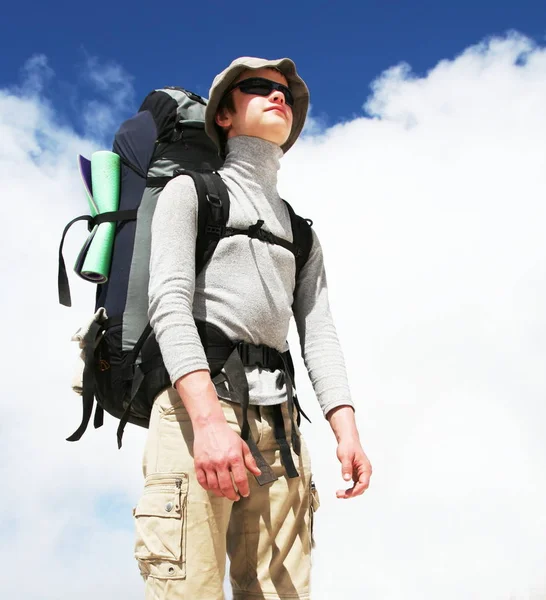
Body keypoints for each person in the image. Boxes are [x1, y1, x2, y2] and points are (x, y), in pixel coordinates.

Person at [134, 56, 372, 600]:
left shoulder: (300, 232)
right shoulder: (191, 193)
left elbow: (319, 331)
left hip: (282, 426)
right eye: (259, 87)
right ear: (223, 114)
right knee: (187, 589)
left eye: (285, 91)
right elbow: (168, 304)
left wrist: (346, 427)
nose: (278, 95)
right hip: (200, 411)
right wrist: (209, 423)